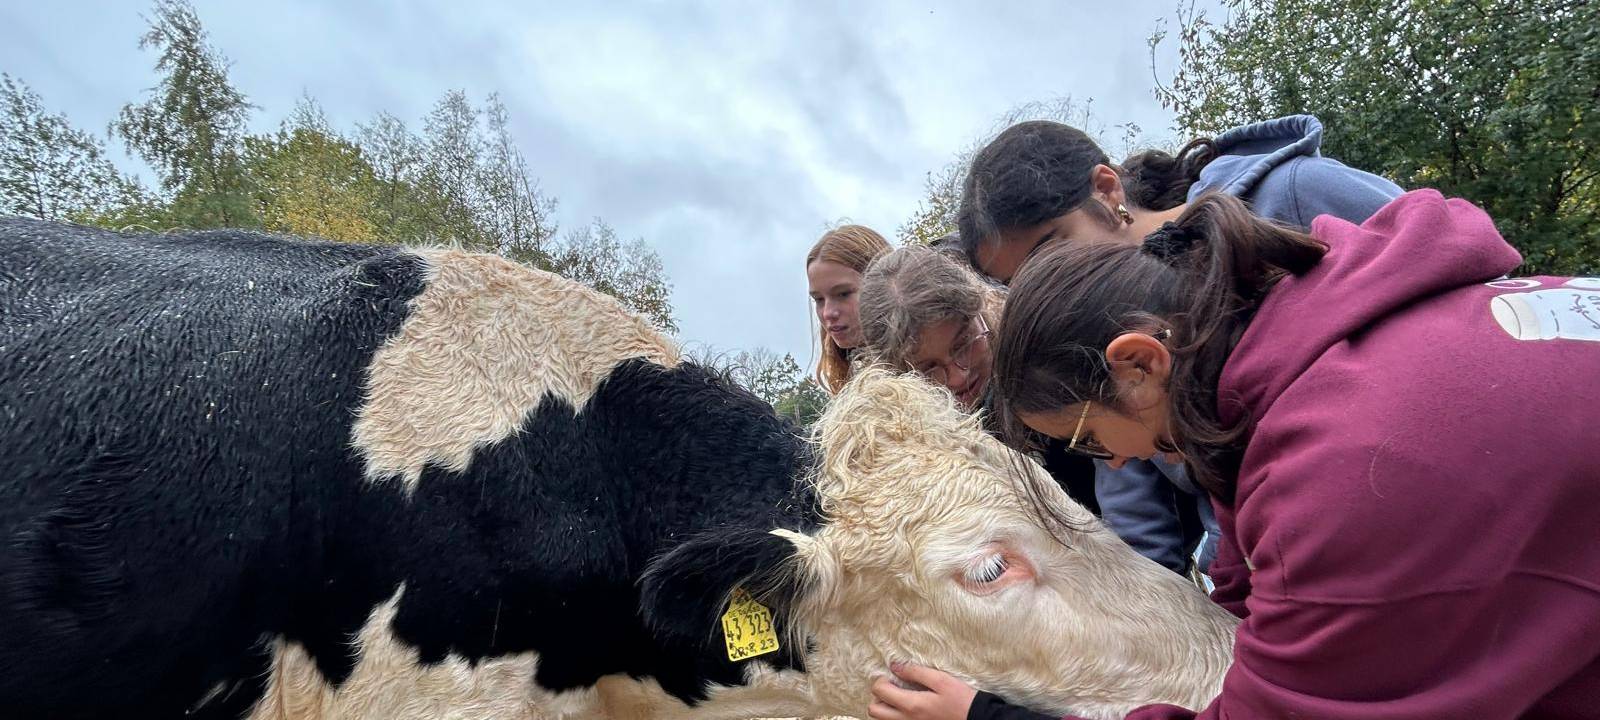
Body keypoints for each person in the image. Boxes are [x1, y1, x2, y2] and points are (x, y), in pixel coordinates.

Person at [867, 189, 1600, 719]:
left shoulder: (1346, 474)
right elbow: (1249, 591)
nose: (1113, 465)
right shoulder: (1315, 353)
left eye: (1089, 439)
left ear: (1138, 364)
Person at [951, 114, 1404, 578]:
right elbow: (1139, 503)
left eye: (1048, 251)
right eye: (1017, 282)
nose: (1043, 283)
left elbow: (1466, 291)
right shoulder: (1109, 352)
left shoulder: (1291, 193)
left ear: (1107, 190)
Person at [855, 243, 1103, 518]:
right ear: (898, 376)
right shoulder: (915, 453)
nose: (959, 375)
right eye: (928, 368)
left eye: (963, 344)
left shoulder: (1043, 358)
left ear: (980, 310)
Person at [806, 224, 892, 394]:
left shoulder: (927, 363)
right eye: (819, 299)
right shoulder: (847, 379)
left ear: (884, 284)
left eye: (843, 294)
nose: (828, 313)